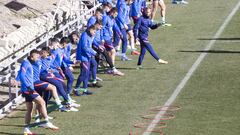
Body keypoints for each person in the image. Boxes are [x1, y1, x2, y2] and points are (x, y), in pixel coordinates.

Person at [18, 50, 59, 135]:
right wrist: (27, 86)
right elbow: (22, 75)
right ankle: (47, 122)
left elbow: (21, 74)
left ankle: (26, 129)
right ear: (32, 57)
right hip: (28, 89)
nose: (38, 58)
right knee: (42, 102)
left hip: (27, 89)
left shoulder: (29, 62)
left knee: (29, 109)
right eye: (37, 57)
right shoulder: (26, 63)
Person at [74, 25, 96, 96]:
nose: (94, 33)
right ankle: (76, 88)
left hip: (87, 57)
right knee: (84, 73)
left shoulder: (89, 35)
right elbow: (84, 47)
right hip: (83, 58)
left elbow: (88, 46)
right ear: (90, 30)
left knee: (87, 74)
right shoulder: (85, 36)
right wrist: (94, 53)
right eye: (94, 31)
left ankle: (85, 89)